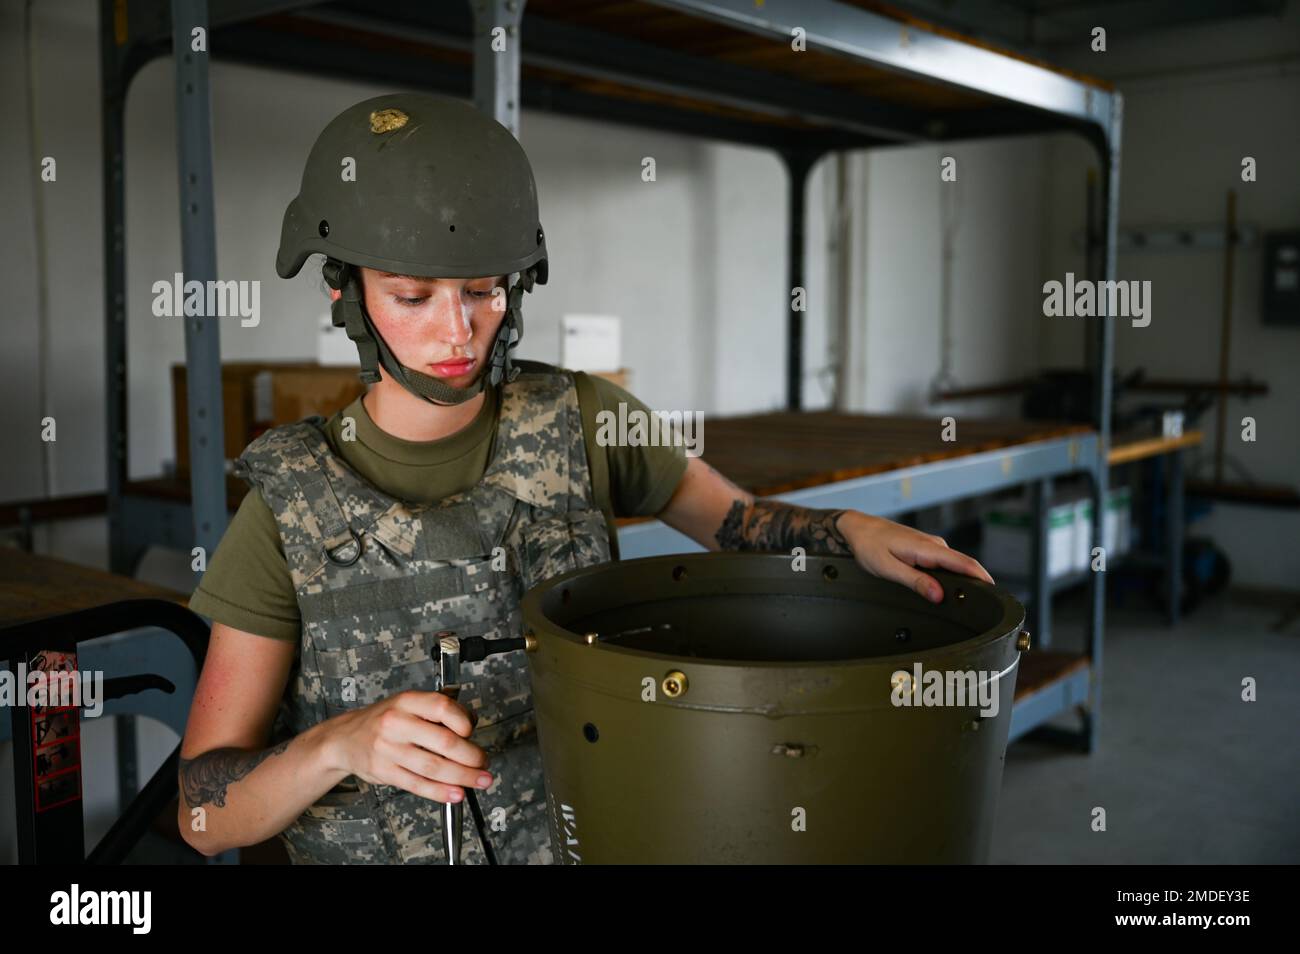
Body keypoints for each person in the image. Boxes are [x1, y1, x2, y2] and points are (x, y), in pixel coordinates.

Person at [177, 92, 993, 865]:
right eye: (413, 296)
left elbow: (736, 523)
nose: (456, 329)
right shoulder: (289, 503)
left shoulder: (584, 417)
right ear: (343, 292)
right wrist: (340, 743)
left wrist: (847, 532)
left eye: (484, 290)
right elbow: (202, 818)